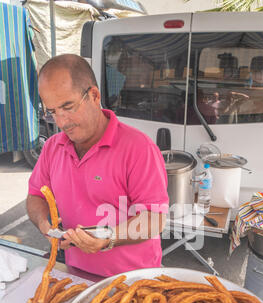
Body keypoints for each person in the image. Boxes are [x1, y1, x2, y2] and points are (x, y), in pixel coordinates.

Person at [26, 54, 169, 278]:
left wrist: (109, 237)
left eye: (68, 106)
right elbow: (36, 195)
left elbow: (154, 218)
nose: (62, 122)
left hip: (133, 283)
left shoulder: (139, 148)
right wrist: (44, 224)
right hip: (75, 275)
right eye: (53, 112)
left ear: (94, 95)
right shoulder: (53, 147)